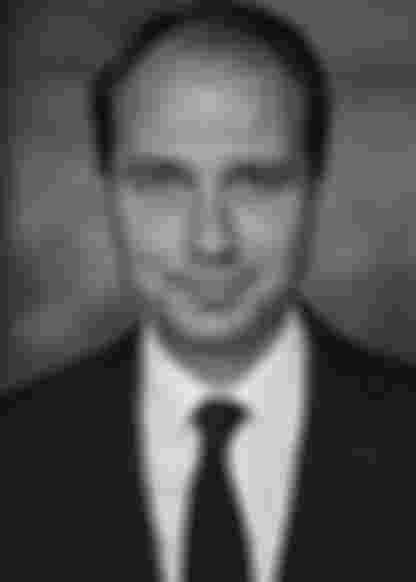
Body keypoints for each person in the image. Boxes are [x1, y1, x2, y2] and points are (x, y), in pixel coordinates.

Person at [2, 2, 416, 581]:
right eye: (163, 183)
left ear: (315, 185)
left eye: (256, 183)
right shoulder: (14, 453)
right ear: (107, 187)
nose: (211, 241)